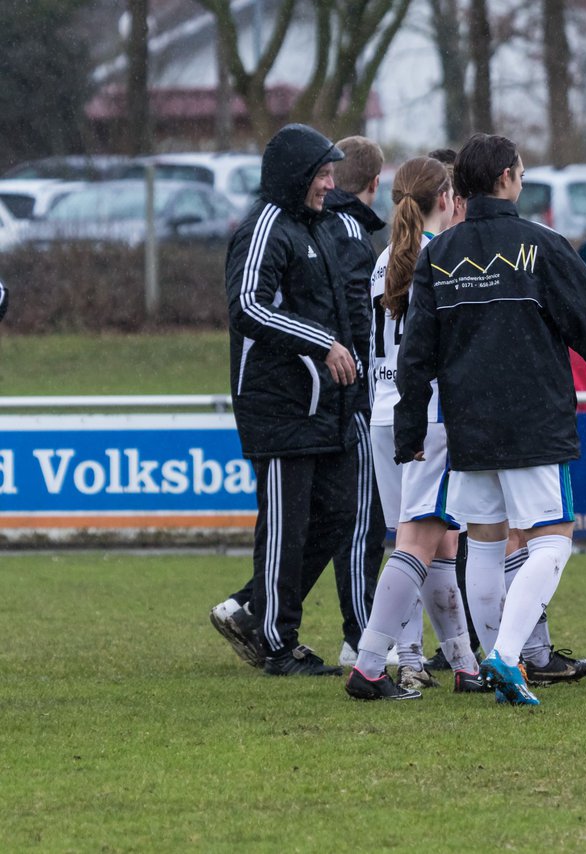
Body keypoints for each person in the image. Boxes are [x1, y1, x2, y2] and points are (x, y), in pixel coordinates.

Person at [394, 133, 586, 705]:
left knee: (483, 542)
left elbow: (415, 353)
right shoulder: (543, 244)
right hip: (534, 421)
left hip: (468, 423)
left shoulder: (437, 254)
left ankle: (491, 663)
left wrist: (411, 428)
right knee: (553, 540)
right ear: (506, 177)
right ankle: (507, 656)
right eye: (523, 173)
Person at [214, 123, 358, 676]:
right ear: (296, 175)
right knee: (284, 525)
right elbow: (246, 307)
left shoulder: (312, 228)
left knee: (335, 515)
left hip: (320, 405)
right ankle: (276, 641)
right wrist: (322, 344)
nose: (329, 184)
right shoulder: (266, 228)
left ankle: (264, 616)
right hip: (278, 405)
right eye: (322, 174)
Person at [345, 156, 484, 700]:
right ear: (446, 198)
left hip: (385, 413)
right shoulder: (443, 256)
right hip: (426, 418)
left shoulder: (384, 258)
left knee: (441, 542)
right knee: (419, 540)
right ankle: (374, 662)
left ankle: (463, 664)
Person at [322, 135, 391, 670]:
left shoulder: (327, 227)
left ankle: (259, 610)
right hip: (359, 397)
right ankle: (360, 635)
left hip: (336, 393)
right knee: (364, 520)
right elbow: (353, 322)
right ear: (374, 184)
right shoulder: (350, 235)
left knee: (350, 518)